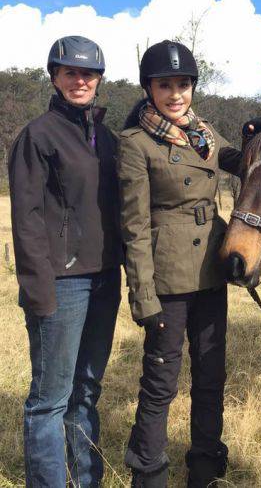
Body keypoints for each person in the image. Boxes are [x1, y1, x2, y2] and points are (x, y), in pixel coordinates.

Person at [119, 40, 261, 488]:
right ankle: (148, 473)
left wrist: (253, 136)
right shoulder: (135, 143)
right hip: (167, 279)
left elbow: (241, 162)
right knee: (161, 383)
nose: (175, 94)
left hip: (211, 270)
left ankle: (205, 467)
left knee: (210, 375)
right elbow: (134, 228)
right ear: (149, 88)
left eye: (183, 84)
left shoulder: (203, 132)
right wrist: (142, 294)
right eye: (165, 85)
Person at [9, 36, 123, 488]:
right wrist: (40, 291)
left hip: (104, 280)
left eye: (88, 73)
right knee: (50, 397)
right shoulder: (37, 135)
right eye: (70, 72)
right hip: (61, 283)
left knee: (86, 391)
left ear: (99, 80)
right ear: (55, 77)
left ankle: (85, 478)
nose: (80, 80)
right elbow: (27, 218)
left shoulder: (107, 137)